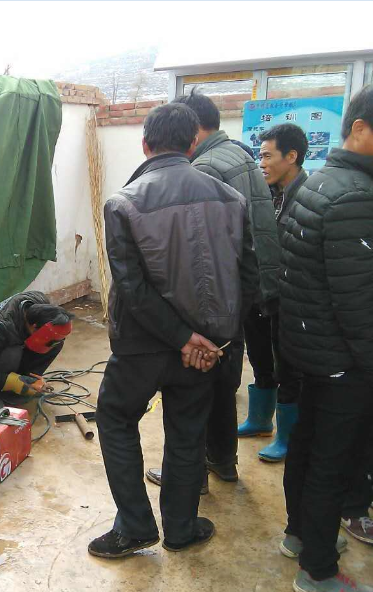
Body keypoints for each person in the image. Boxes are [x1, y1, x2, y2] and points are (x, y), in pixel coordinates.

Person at [88, 103, 258, 559]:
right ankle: (181, 528)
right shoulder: (231, 199)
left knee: (115, 418)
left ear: (145, 143)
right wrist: (214, 342)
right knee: (187, 432)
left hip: (142, 345)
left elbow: (132, 288)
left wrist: (182, 338)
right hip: (203, 348)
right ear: (193, 143)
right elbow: (247, 278)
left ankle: (134, 527)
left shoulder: (123, 203)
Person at [146, 90, 277, 489]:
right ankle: (223, 461)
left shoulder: (203, 169)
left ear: (193, 129)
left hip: (213, 300)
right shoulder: (240, 155)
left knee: (196, 387)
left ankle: (191, 476)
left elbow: (196, 255)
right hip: (242, 293)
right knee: (224, 383)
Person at [278, 85, 373, 592]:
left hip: (312, 349)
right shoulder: (355, 196)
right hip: (343, 358)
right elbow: (358, 301)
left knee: (308, 446)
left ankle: (300, 535)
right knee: (332, 463)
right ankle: (318, 571)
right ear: (359, 128)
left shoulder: (319, 181)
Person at [238, 123, 308, 462]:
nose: (261, 164)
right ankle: (260, 420)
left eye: (267, 156)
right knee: (259, 357)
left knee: (289, 366)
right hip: (260, 292)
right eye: (260, 156)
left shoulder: (308, 196)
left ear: (291, 156)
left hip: (290, 298)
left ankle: (288, 437)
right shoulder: (265, 194)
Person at [0, 291, 73, 409]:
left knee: (55, 343)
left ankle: (27, 382)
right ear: (34, 326)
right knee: (12, 352)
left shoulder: (39, 305)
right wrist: (10, 381)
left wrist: (29, 379)